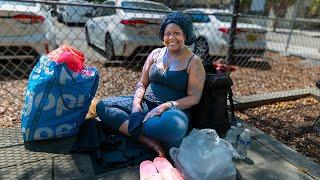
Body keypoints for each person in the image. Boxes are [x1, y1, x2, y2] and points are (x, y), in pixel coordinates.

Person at [96, 11, 206, 156]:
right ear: (163, 36)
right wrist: (136, 106)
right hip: (145, 104)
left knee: (175, 126)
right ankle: (148, 140)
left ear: (186, 35)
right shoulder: (155, 54)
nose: (172, 37)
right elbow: (142, 83)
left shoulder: (194, 62)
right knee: (103, 106)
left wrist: (167, 105)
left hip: (171, 112)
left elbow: (194, 98)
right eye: (168, 33)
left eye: (177, 33)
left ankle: (133, 127)